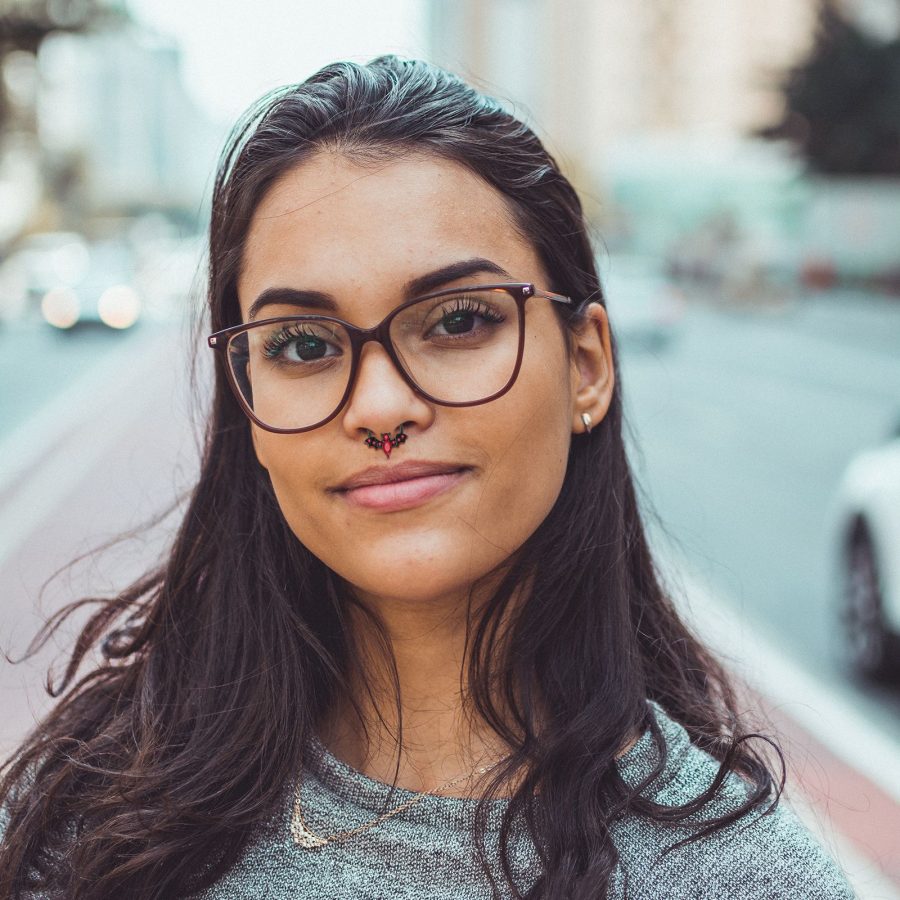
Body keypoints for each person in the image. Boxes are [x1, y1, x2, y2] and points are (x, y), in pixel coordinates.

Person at [0, 56, 854, 900]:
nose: (379, 406)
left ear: (586, 366)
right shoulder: (87, 820)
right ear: (249, 401)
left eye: (456, 321)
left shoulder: (743, 877)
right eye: (303, 344)